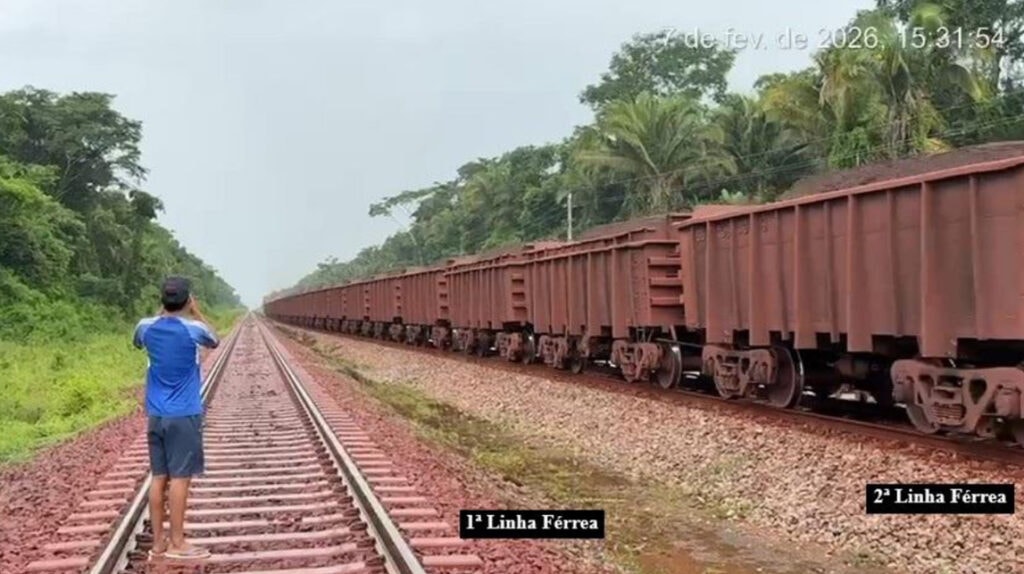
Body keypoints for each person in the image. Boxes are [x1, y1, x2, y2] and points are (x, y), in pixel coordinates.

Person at [132, 276, 219, 561]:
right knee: (180, 478)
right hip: (184, 414)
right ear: (187, 299)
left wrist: (163, 313)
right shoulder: (195, 329)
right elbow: (214, 340)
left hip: (156, 415)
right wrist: (195, 311)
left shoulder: (144, 327)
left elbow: (138, 341)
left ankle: (158, 543)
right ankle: (178, 542)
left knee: (159, 477)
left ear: (162, 300)